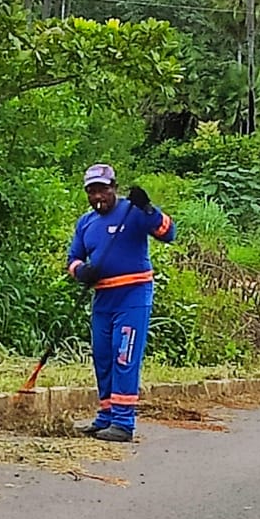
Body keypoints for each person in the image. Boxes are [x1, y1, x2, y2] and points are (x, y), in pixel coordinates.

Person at [66, 163, 176, 442]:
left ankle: (123, 423)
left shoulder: (133, 211)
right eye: (92, 191)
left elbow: (168, 233)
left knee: (124, 356)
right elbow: (73, 259)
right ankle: (106, 417)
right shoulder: (86, 223)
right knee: (102, 357)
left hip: (133, 296)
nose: (98, 196)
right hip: (103, 298)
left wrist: (149, 209)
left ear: (113, 187)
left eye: (102, 190)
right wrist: (81, 271)